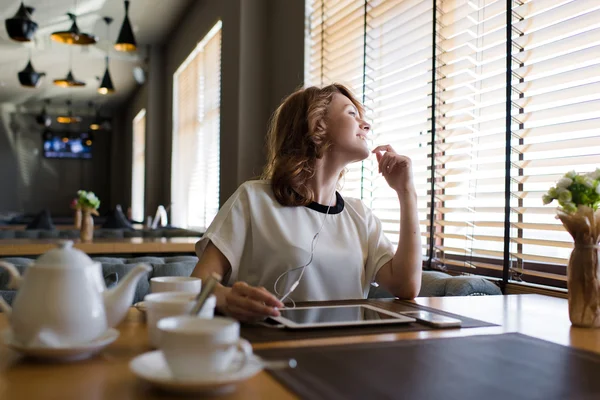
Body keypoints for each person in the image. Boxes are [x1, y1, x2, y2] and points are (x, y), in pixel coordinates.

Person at [191, 83, 422, 322]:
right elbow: (197, 284)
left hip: (348, 352)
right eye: (351, 113)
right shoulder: (253, 199)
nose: (366, 124)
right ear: (317, 124)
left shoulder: (360, 215)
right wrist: (226, 299)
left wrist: (406, 192)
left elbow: (406, 286)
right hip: (271, 350)